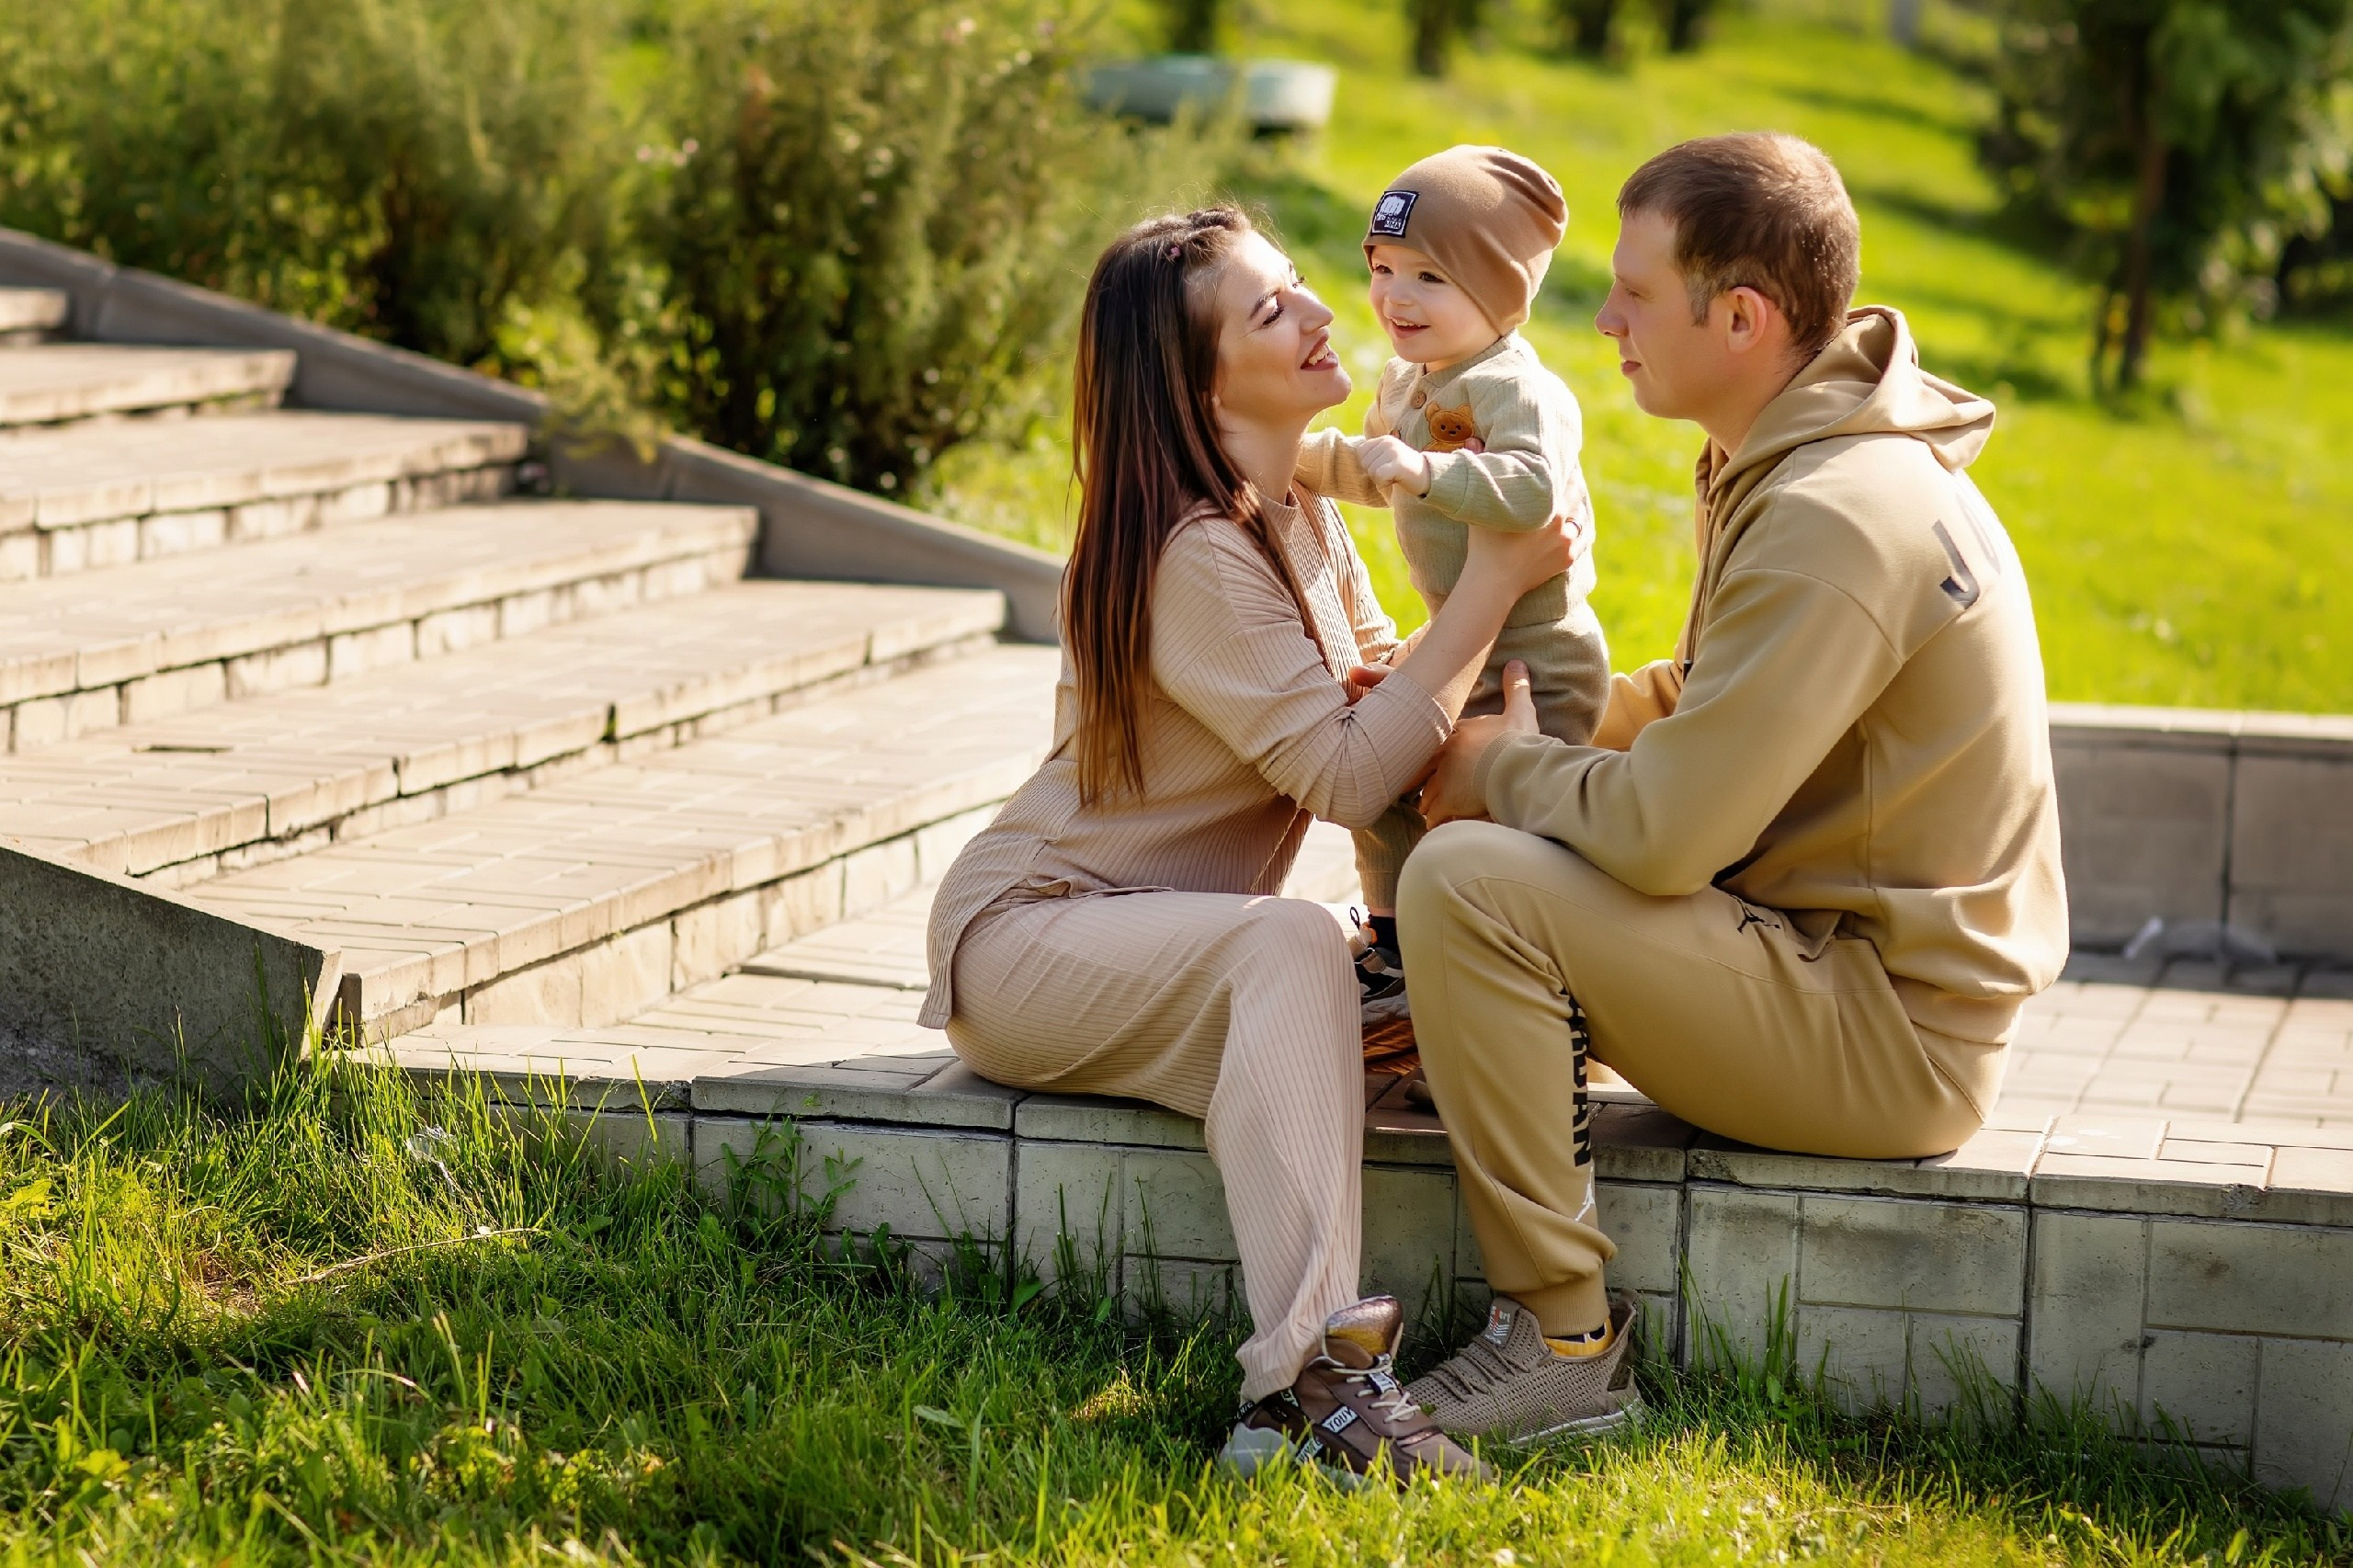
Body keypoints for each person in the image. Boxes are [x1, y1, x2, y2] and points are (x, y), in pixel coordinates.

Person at [1397, 132, 2069, 1441]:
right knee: (1509, 845)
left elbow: (1663, 835)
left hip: (1890, 1044)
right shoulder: (1815, 455)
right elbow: (1719, 699)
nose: (1603, 323)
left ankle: (1559, 1345)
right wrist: (1539, 725)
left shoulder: (1832, 510)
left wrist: (1498, 767)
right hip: (1848, 981)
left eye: (1636, 294)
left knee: (1472, 882)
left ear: (1744, 317)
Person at [917, 206, 1576, 1483]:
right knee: (1291, 939)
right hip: (1029, 937)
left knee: (1362, 966)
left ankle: (1333, 1392)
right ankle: (1307, 1394)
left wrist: (1519, 729)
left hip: (1166, 936)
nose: (1325, 312)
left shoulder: (1301, 516)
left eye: (1296, 290)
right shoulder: (1193, 557)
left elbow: (1384, 683)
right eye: (1273, 309)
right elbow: (1343, 770)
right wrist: (1489, 589)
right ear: (1198, 377)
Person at [1294, 146, 1609, 1025]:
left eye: (1431, 276)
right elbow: (1373, 470)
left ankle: (1538, 1002)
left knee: (1500, 835)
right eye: (1385, 269)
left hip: (1535, 658)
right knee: (1389, 786)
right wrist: (1293, 459)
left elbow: (1534, 489)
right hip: (1461, 637)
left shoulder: (1516, 387)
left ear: (1503, 293)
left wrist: (1429, 470)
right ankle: (1394, 953)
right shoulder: (1406, 382)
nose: (1397, 296)